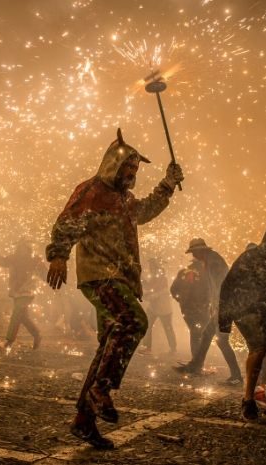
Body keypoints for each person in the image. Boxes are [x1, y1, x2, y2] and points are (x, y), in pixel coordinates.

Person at [46, 128, 184, 449]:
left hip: (121, 277)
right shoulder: (92, 191)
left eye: (135, 171)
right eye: (127, 169)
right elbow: (67, 222)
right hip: (100, 274)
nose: (131, 175)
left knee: (109, 344)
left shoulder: (125, 199)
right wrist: (59, 255)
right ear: (113, 165)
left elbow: (145, 211)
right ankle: (101, 390)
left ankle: (84, 420)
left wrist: (167, 185)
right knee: (134, 322)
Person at [219, 221, 266, 421]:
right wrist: (225, 318)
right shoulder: (250, 257)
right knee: (258, 349)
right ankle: (248, 400)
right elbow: (228, 286)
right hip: (247, 311)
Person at [176, 238, 242, 386]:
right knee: (207, 335)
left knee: (222, 341)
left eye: (194, 252)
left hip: (224, 306)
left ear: (201, 251)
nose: (193, 255)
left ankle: (236, 376)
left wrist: (218, 306)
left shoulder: (214, 262)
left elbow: (221, 285)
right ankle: (195, 366)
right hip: (221, 306)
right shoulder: (210, 260)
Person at [0, 239, 46, 350]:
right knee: (23, 317)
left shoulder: (34, 260)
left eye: (24, 248)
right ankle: (37, 335)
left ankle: (9, 340)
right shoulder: (13, 259)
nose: (22, 251)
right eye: (20, 248)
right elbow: (0, 261)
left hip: (27, 292)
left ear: (28, 249)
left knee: (16, 314)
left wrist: (57, 283)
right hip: (16, 292)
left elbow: (45, 274)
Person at [170, 260, 210, 358]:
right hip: (202, 310)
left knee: (195, 334)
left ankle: (196, 360)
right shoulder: (206, 274)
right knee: (199, 334)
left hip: (188, 310)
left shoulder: (183, 272)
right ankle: (197, 361)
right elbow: (211, 290)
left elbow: (173, 290)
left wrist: (181, 301)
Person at [141, 258, 177, 354]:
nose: (150, 268)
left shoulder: (161, 277)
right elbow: (149, 287)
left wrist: (151, 296)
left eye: (152, 266)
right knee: (148, 325)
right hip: (154, 307)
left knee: (167, 327)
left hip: (163, 308)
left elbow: (162, 291)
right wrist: (141, 280)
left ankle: (173, 348)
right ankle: (147, 347)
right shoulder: (155, 276)